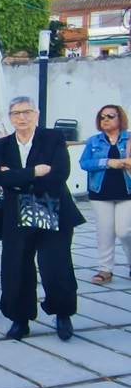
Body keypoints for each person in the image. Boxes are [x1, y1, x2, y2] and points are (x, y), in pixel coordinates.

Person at [0, 96, 85, 341]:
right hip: (16, 211)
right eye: (16, 113)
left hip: (50, 204)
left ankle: (62, 314)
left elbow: (59, 174)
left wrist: (17, 177)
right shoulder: (2, 145)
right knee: (16, 266)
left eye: (27, 112)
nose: (22, 117)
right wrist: (34, 172)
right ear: (10, 117)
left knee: (55, 265)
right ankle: (19, 319)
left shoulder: (53, 138)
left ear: (37, 114)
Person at [79, 104, 131, 284]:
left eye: (110, 116)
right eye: (102, 117)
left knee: (124, 231)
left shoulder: (130, 139)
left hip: (127, 192)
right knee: (105, 232)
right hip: (100, 193)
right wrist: (107, 162)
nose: (105, 120)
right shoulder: (94, 141)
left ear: (120, 118)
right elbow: (84, 163)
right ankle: (105, 270)